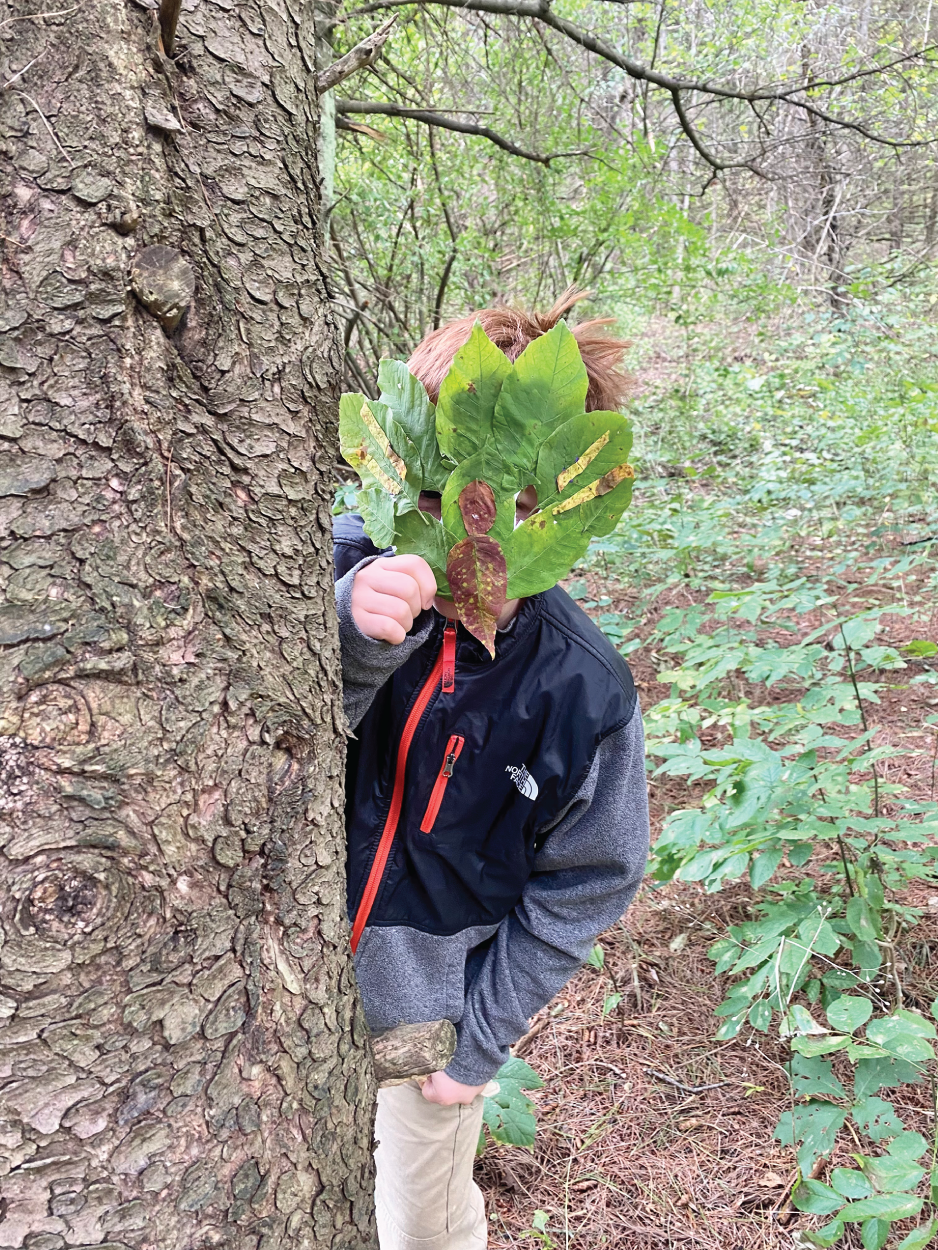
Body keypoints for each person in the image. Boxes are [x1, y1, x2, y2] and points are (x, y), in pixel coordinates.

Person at [333, 289, 650, 1249]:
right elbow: (253, 737)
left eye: (505, 507)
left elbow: (594, 874)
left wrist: (477, 1044)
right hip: (264, 985)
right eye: (433, 497)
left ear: (561, 504)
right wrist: (348, 637)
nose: (466, 533)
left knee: (418, 1227)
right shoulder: (337, 573)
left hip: (423, 1020)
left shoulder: (579, 690)